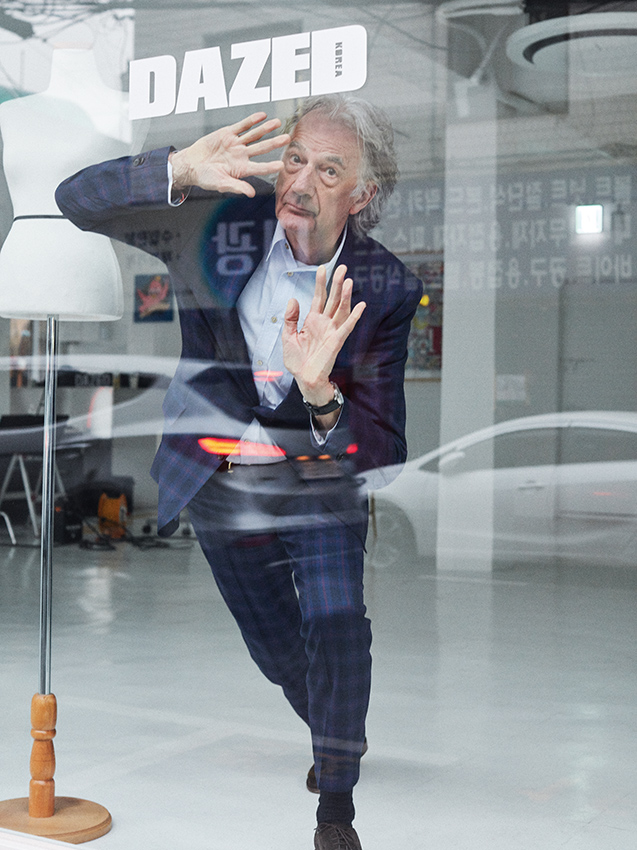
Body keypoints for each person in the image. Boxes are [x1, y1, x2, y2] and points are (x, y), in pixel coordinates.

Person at [56, 94, 422, 850]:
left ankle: (336, 809)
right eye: (294, 160)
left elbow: (382, 448)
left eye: (328, 172)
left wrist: (320, 394)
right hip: (221, 480)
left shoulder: (384, 287)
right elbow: (74, 200)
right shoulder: (217, 220)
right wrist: (177, 169)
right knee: (277, 649)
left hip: (318, 481)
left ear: (361, 197)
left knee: (336, 626)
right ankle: (332, 724)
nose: (301, 183)